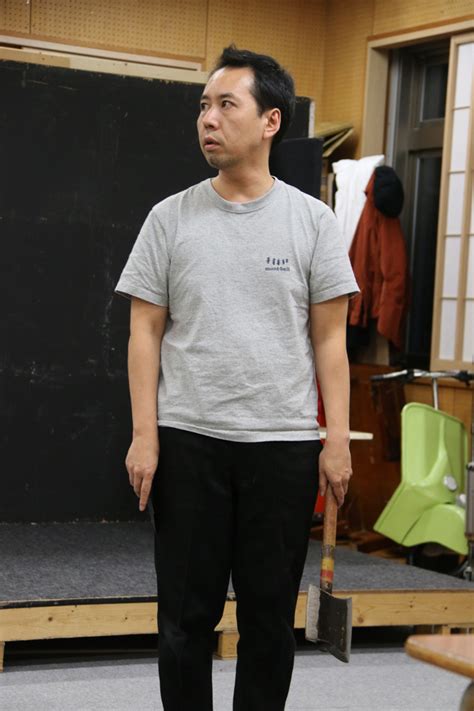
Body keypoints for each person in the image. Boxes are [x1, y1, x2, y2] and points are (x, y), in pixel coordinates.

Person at [115, 45, 359, 711]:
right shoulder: (169, 218)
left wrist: (336, 439)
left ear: (271, 121)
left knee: (269, 624)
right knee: (183, 621)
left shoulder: (313, 222)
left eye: (227, 104)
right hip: (188, 441)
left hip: (282, 447)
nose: (208, 119)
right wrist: (144, 434)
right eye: (204, 106)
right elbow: (144, 330)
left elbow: (331, 340)